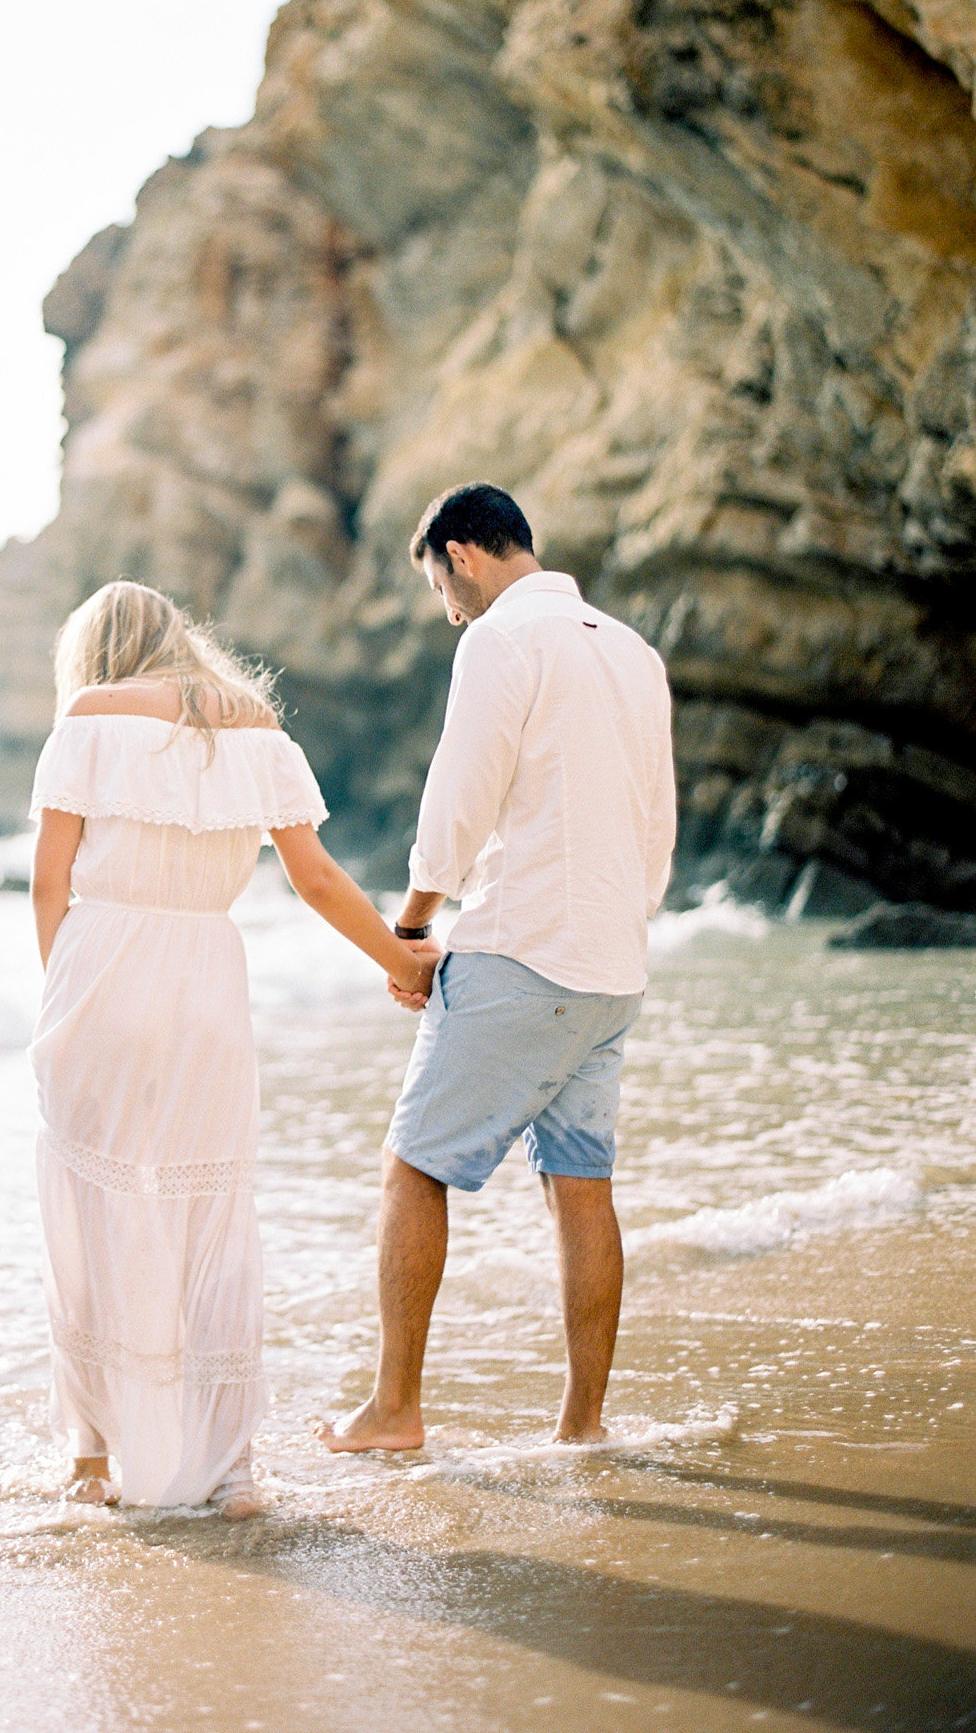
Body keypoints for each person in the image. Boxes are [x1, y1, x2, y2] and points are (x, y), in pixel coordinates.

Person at [28, 580, 438, 1516]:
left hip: (100, 972)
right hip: (206, 980)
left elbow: (49, 885)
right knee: (212, 1213)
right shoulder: (256, 730)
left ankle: (92, 1464)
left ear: (96, 654)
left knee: (90, 1211)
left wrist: (65, 999)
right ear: (179, 640)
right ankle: (231, 1470)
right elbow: (319, 880)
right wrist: (402, 961)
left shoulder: (88, 716)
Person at [316, 482, 676, 1454]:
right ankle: (581, 1422)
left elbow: (457, 801)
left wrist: (410, 928)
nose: (445, 605)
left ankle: (392, 1410)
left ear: (461, 554)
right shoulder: (629, 649)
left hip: (521, 949)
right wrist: (618, 926)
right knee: (581, 1184)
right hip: (610, 966)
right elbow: (657, 821)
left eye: (439, 582)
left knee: (412, 1167)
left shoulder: (500, 640)